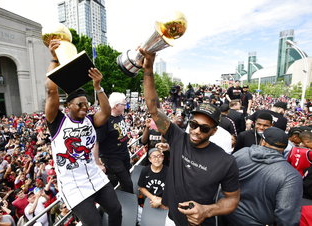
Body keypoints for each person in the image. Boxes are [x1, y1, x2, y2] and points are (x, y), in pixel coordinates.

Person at [139, 48, 240, 226]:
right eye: (193, 124)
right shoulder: (178, 138)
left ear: (213, 131)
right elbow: (153, 107)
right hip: (171, 219)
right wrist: (148, 69)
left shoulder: (225, 161)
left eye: (204, 128)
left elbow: (232, 200)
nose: (196, 131)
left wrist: (207, 210)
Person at [45, 39, 122, 226]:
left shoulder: (90, 120)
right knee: (94, 223)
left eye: (87, 104)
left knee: (116, 210)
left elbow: (105, 111)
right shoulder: (57, 121)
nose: (84, 107)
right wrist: (54, 59)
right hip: (74, 185)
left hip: (95, 175)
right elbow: (50, 90)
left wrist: (98, 87)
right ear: (68, 105)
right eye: (80, 104)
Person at [222, 127, 303, 226]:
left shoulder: (242, 153)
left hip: (223, 213)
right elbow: (287, 218)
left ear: (263, 142)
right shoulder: (291, 176)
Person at [96, 92, 134, 193]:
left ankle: (126, 199)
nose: (125, 106)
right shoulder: (105, 120)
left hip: (123, 154)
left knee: (127, 178)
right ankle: (131, 203)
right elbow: (96, 142)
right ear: (116, 106)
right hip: (112, 157)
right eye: (123, 104)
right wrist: (97, 163)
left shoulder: (119, 116)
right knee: (127, 183)